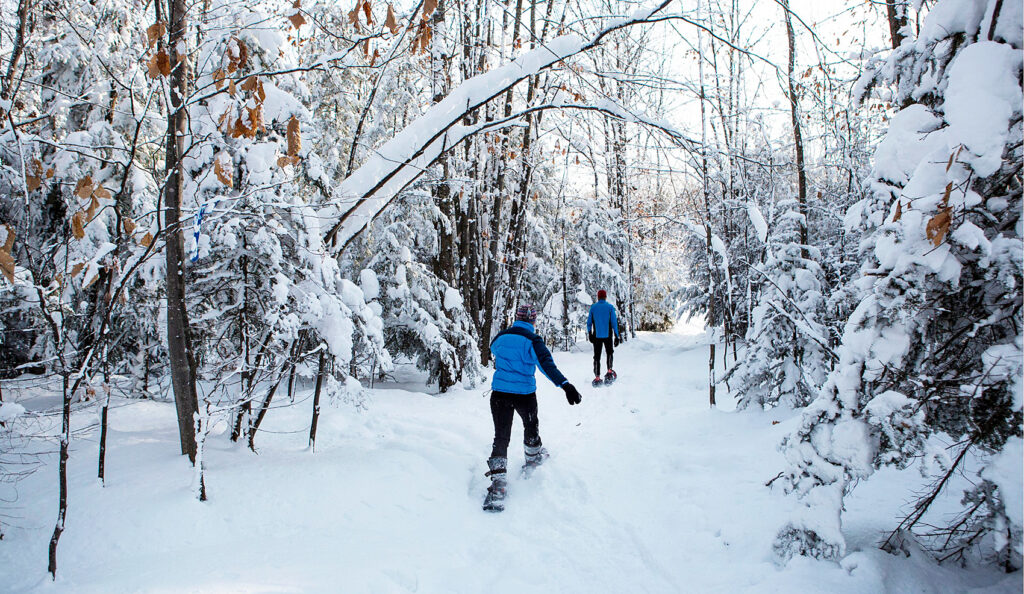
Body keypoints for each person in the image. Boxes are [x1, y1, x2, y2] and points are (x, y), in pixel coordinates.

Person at [483, 303, 582, 512]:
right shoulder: (533, 340)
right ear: (533, 321)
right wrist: (565, 385)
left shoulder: (501, 336)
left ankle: (498, 484)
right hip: (524, 395)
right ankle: (533, 458)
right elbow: (547, 365)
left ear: (517, 318)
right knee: (531, 426)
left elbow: (493, 349)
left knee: (501, 436)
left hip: (499, 393)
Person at [587, 289, 620, 384]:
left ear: (598, 297)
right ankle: (609, 372)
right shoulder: (610, 307)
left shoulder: (593, 308)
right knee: (609, 353)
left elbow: (589, 322)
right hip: (608, 335)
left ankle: (597, 377)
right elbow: (614, 323)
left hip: (596, 336)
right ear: (605, 297)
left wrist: (590, 333)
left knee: (597, 356)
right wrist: (617, 336)